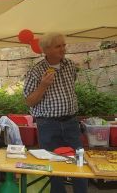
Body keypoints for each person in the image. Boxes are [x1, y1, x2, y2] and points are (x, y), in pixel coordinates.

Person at [23, 32, 88, 193]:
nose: (63, 49)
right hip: (48, 124)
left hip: (71, 122)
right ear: (46, 50)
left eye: (64, 45)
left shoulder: (70, 65)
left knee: (79, 162)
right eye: (58, 46)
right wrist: (43, 85)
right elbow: (29, 101)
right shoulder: (36, 71)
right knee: (53, 164)